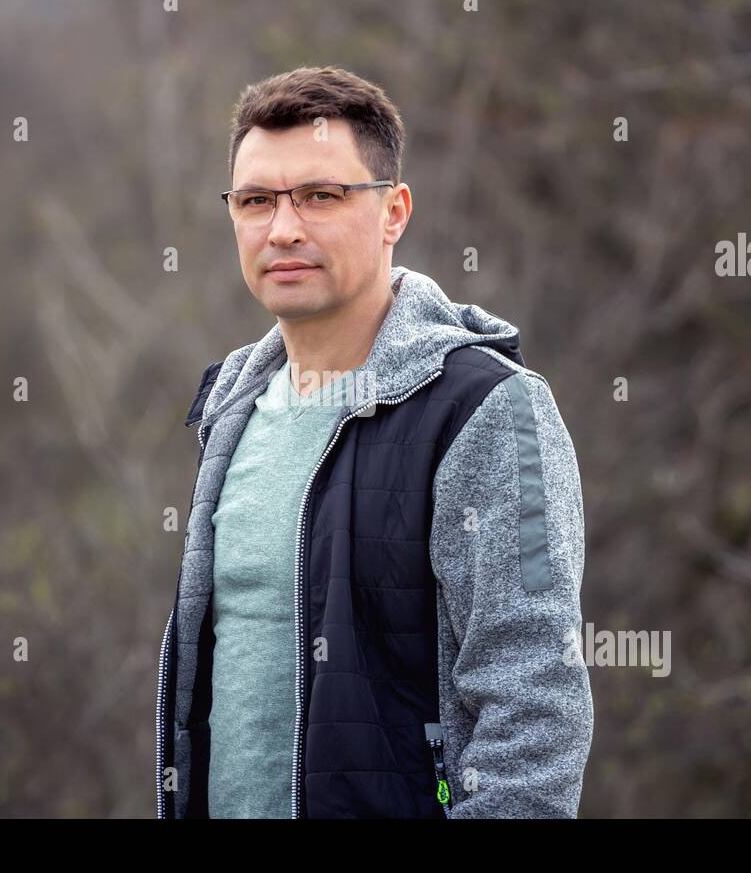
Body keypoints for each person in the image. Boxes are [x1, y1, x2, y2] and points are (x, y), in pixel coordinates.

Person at [155, 65, 592, 818]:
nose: (283, 228)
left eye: (321, 196)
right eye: (257, 200)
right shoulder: (232, 409)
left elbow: (534, 706)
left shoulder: (487, 408)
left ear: (394, 212)